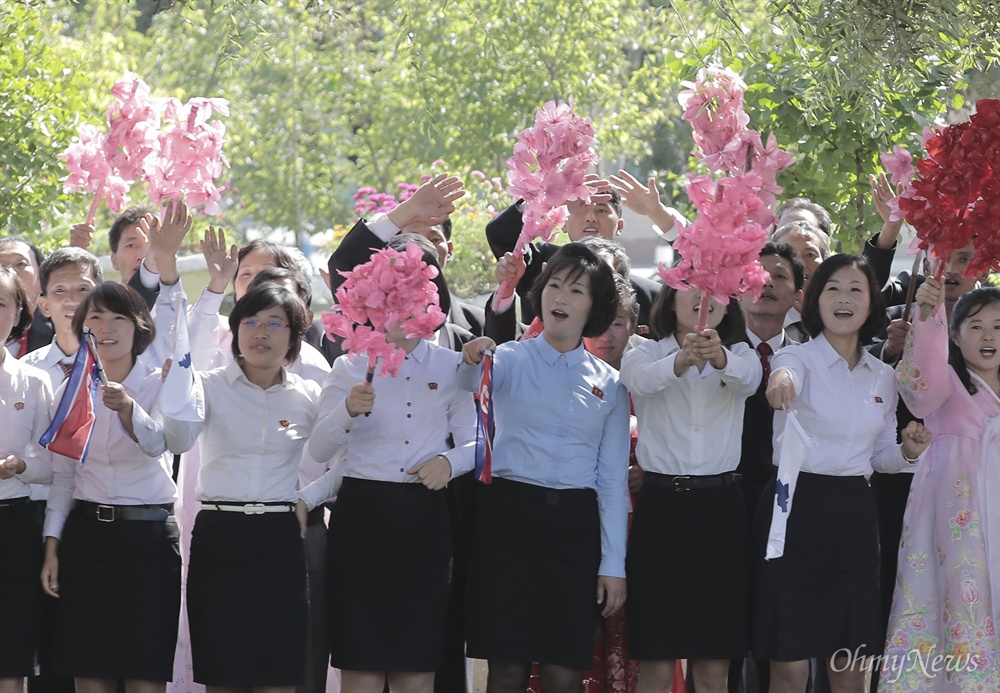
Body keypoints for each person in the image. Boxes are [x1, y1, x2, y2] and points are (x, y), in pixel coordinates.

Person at [297, 262, 477, 693]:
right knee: (361, 668)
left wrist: (450, 464)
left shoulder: (453, 365)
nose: (402, 313)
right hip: (361, 518)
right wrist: (346, 411)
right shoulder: (349, 367)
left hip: (424, 519)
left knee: (415, 669)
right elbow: (318, 450)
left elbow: (483, 441)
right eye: (390, 301)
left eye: (414, 300)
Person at [461, 243, 630, 693]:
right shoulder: (510, 358)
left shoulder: (610, 384)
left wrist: (614, 564)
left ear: (594, 306)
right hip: (507, 520)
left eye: (576, 290)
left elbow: (612, 481)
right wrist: (474, 350)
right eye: (554, 285)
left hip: (573, 530)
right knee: (507, 669)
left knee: (564, 670)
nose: (561, 298)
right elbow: (466, 386)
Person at [760, 254, 932, 693]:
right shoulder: (795, 356)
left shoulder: (883, 377)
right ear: (816, 300)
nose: (844, 299)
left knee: (850, 661)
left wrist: (908, 452)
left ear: (871, 302)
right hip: (792, 509)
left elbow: (879, 458)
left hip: (854, 515)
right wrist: (779, 383)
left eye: (856, 289)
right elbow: (784, 374)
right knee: (790, 662)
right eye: (833, 288)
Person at [163, 284, 320, 693]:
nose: (260, 333)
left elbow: (340, 457)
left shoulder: (309, 396)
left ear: (293, 335)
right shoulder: (209, 386)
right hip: (220, 535)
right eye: (249, 322)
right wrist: (175, 391)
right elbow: (178, 441)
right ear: (234, 331)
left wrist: (309, 498)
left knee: (279, 674)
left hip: (280, 537)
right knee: (224, 674)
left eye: (273, 323)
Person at [40, 282, 182, 693]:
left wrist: (128, 409)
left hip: (149, 540)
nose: (106, 327)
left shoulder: (161, 382)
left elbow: (161, 444)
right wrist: (52, 545)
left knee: (145, 675)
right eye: (96, 317)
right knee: (90, 673)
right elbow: (63, 476)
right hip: (88, 540)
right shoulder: (70, 390)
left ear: (139, 327)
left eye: (118, 317)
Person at [620, 282, 761, 693]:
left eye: (718, 291)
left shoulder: (741, 353)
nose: (705, 299)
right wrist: (680, 360)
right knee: (657, 662)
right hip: (662, 508)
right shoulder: (643, 348)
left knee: (714, 665)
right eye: (693, 287)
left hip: (721, 511)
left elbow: (749, 382)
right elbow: (640, 382)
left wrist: (718, 356)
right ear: (671, 295)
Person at [879, 283, 1000, 692]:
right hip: (956, 521)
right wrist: (928, 315)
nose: (988, 336)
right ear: (954, 334)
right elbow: (918, 385)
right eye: (976, 325)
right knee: (955, 601)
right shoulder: (947, 382)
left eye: (999, 326)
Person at [485, 175, 661, 328]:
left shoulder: (650, 296)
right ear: (563, 222)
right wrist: (547, 199)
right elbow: (500, 233)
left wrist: (660, 213)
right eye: (580, 207)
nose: (591, 217)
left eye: (601, 210)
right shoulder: (541, 264)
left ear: (620, 226)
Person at [0, 266, 54, 693]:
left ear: (20, 312)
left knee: (11, 654)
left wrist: (20, 465)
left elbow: (53, 465)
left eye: (1, 304)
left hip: (15, 525)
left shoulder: (34, 382)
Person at [0, 236, 54, 356]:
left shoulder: (59, 332)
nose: (11, 272)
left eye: (21, 264)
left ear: (41, 279)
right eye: (1, 265)